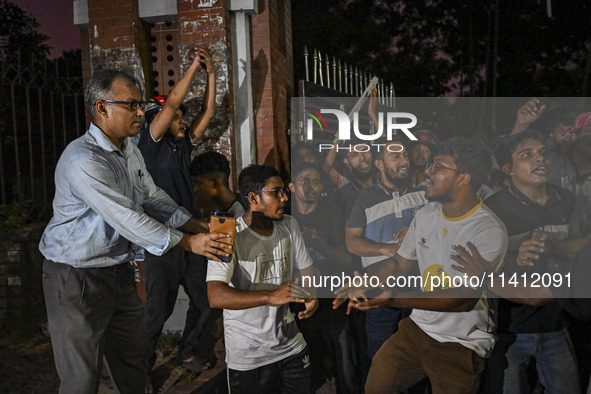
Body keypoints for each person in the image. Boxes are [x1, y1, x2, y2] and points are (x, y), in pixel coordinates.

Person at [39, 69, 229, 393]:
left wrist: (194, 223)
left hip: (117, 270)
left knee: (132, 366)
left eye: (139, 104)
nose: (141, 112)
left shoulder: (129, 150)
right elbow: (127, 218)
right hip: (75, 276)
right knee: (81, 378)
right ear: (102, 108)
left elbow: (151, 197)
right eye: (132, 105)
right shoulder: (82, 159)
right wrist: (188, 242)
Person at [339, 137, 508, 393]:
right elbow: (399, 264)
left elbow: (464, 298)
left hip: (460, 343)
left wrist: (395, 298)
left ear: (463, 178)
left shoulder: (487, 229)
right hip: (416, 330)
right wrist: (368, 279)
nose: (428, 172)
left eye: (438, 167)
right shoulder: (426, 213)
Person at [137, 47, 218, 379]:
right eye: (177, 117)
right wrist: (195, 68)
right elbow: (170, 103)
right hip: (163, 239)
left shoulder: (181, 145)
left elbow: (209, 113)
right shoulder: (149, 142)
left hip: (194, 235)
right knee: (158, 311)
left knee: (206, 300)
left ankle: (187, 352)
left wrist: (212, 74)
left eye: (184, 116)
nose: (182, 119)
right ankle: (139, 372)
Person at [482, 130, 581, 394]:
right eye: (527, 154)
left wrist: (558, 247)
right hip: (511, 329)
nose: (540, 159)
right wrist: (514, 256)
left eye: (543, 153)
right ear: (507, 169)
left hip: (557, 324)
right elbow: (478, 266)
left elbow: (583, 246)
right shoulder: (493, 209)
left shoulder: (567, 201)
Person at [206, 165, 319, 393]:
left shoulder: (289, 225)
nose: (285, 197)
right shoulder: (230, 235)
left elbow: (308, 270)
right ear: (253, 198)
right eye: (276, 192)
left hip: (290, 345)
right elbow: (215, 295)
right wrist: (271, 296)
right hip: (249, 355)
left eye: (284, 191)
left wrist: (311, 295)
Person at [345, 137, 427, 360]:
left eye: (405, 156)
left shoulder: (425, 195)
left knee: (420, 357)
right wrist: (387, 249)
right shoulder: (365, 197)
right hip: (381, 291)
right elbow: (352, 242)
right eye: (395, 156)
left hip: (419, 290)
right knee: (382, 357)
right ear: (379, 164)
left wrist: (415, 229)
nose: (404, 161)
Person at [289, 163, 361, 393]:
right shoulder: (286, 217)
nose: (311, 186)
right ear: (291, 187)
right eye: (305, 181)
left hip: (333, 295)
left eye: (316, 181)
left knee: (344, 359)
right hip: (301, 299)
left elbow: (347, 260)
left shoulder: (333, 213)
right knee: (307, 361)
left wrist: (315, 242)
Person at [190, 151, 245, 219]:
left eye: (199, 184)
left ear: (215, 183)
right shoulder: (211, 211)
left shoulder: (245, 212)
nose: (195, 189)